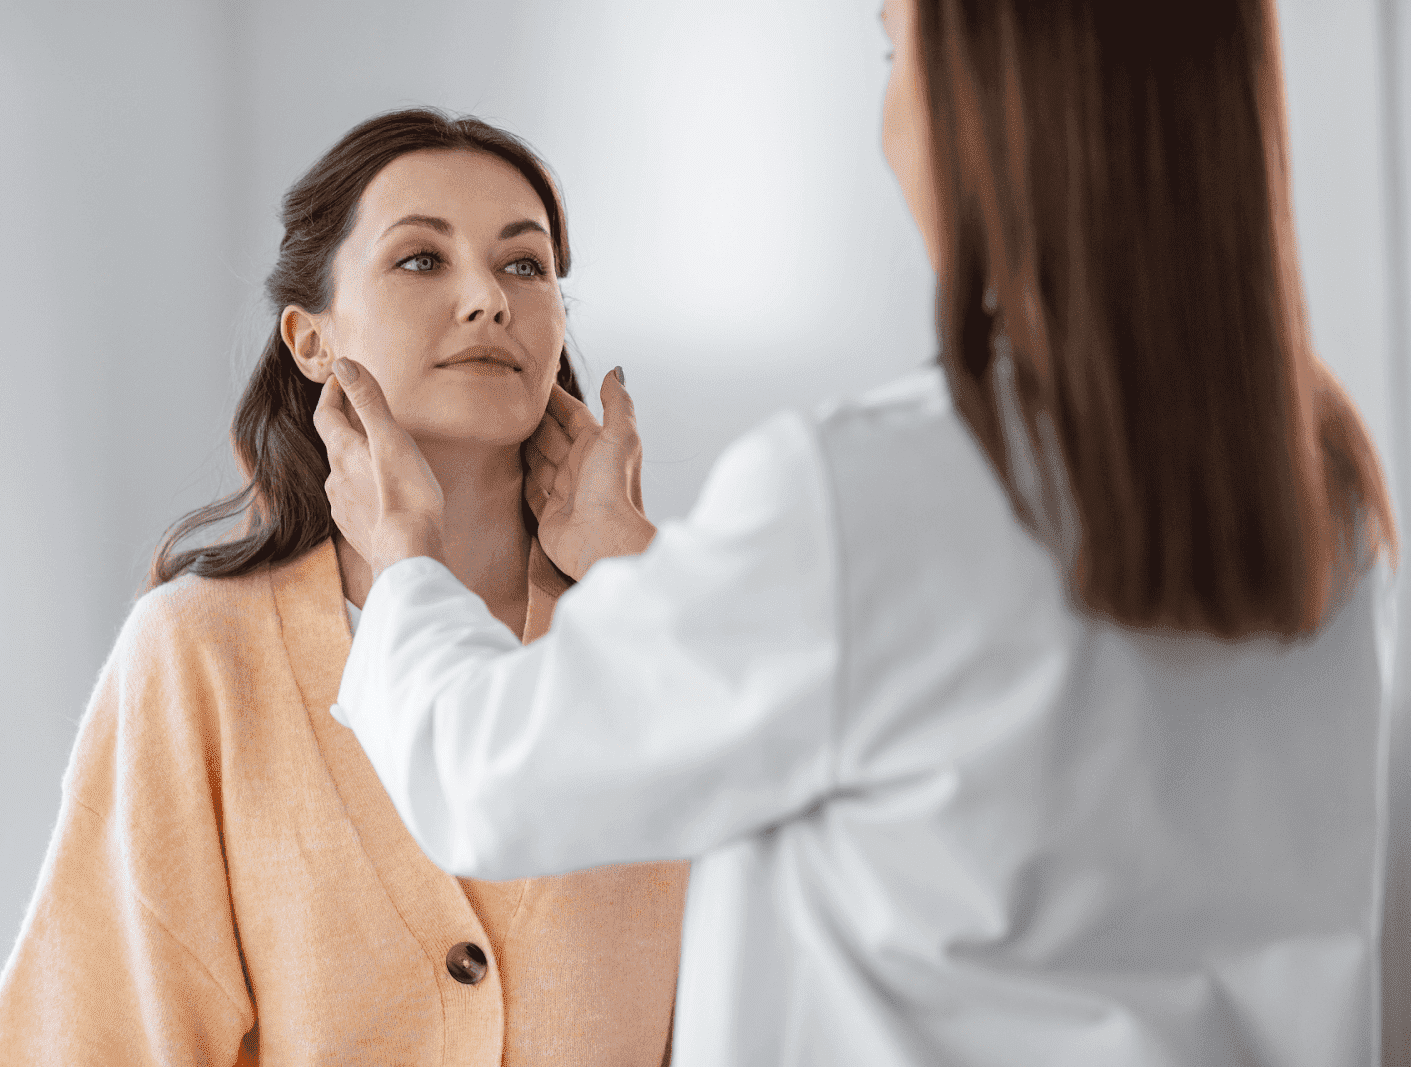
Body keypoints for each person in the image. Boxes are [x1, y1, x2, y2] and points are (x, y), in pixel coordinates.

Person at [316, 1, 1401, 1064]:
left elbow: (481, 774)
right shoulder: (1321, 469)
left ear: (992, 100)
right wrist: (638, 569)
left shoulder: (866, 495)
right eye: (419, 260)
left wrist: (405, 559)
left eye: (893, 53)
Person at [0, 109, 687, 1066]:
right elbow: (88, 1040)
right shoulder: (201, 655)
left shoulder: (656, 642)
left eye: (525, 265)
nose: (488, 299)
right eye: (421, 260)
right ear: (310, 340)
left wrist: (642, 579)